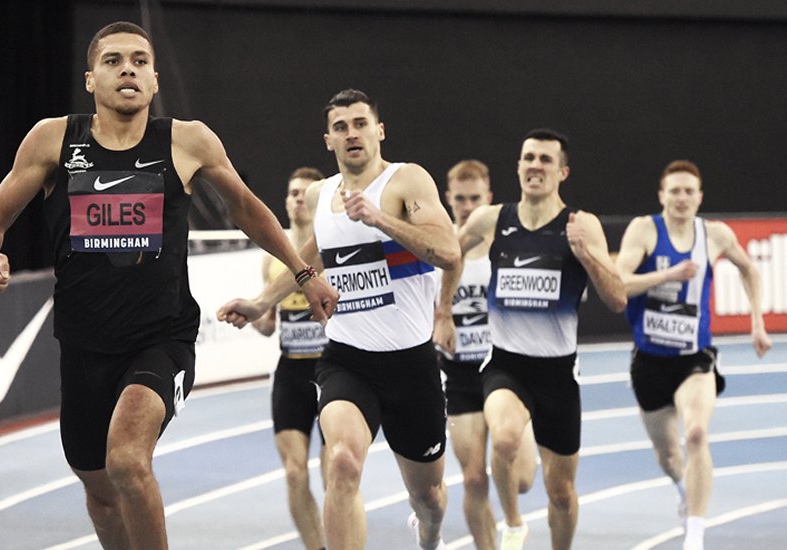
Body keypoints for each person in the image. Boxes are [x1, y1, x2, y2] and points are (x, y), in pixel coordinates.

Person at [0, 21, 338, 550]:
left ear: (155, 80)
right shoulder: (53, 139)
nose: (128, 70)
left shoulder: (187, 141)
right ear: (91, 79)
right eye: (114, 60)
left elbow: (247, 211)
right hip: (82, 343)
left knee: (126, 458)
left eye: (140, 61)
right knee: (99, 489)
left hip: (161, 338)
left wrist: (304, 272)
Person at [218, 89, 460, 550]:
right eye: (341, 127)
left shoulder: (407, 182)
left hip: (412, 366)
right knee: (343, 463)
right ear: (328, 140)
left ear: (379, 130)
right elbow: (309, 258)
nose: (352, 134)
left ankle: (428, 537)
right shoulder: (319, 194)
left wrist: (380, 220)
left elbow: (447, 253)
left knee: (428, 496)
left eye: (361, 123)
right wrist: (261, 302)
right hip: (349, 361)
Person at [449, 129, 627, 550]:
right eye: (529, 157)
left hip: (558, 372)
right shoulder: (492, 220)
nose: (535, 166)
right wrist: (440, 310)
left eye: (546, 160)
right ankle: (512, 524)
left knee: (560, 492)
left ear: (562, 171)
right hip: (506, 363)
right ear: (518, 166)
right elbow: (447, 257)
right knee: (506, 436)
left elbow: (618, 299)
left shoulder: (581, 225)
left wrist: (588, 256)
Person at [614, 160, 772, 550]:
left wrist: (757, 321)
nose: (682, 198)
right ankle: (684, 489)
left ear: (700, 197)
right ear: (661, 195)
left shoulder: (714, 234)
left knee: (697, 433)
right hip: (649, 360)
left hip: (694, 357)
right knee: (668, 455)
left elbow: (749, 270)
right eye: (675, 191)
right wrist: (665, 276)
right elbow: (619, 283)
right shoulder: (645, 229)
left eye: (689, 191)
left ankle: (695, 536)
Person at [432, 160, 537, 550]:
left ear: (488, 199)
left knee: (523, 479)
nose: (467, 206)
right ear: (447, 199)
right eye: (459, 198)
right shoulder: (438, 253)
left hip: (506, 373)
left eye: (474, 198)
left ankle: (513, 520)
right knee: (474, 477)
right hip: (459, 379)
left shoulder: (506, 249)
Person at [250, 166, 329, 550]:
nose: (298, 198)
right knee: (296, 473)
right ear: (284, 200)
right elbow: (268, 322)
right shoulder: (272, 258)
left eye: (305, 193)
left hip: (332, 373)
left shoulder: (332, 250)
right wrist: (258, 321)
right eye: (292, 192)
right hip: (291, 373)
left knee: (335, 476)